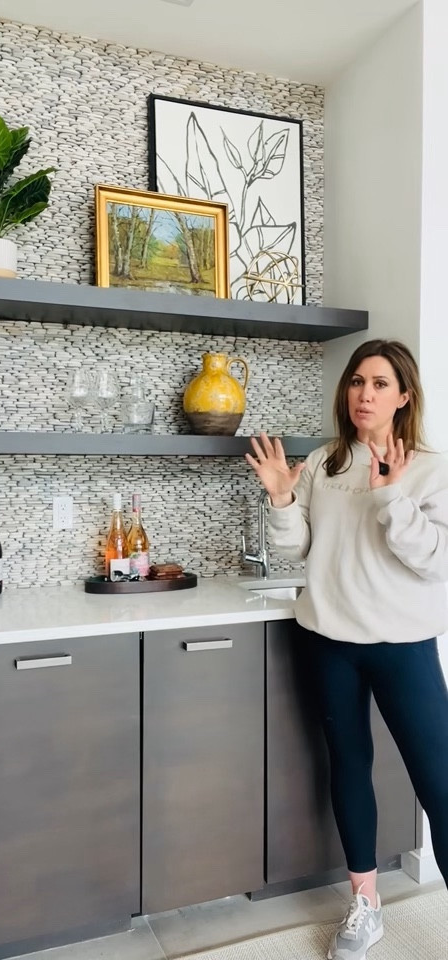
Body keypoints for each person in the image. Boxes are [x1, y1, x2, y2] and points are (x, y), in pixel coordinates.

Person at [245, 339, 448, 960]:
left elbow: (434, 562)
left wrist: (391, 497)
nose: (365, 394)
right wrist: (282, 498)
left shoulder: (431, 469)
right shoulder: (326, 462)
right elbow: (296, 550)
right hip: (329, 641)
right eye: (357, 382)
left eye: (380, 383)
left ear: (404, 396)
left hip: (402, 645)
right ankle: (366, 903)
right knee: (348, 768)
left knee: (440, 784)